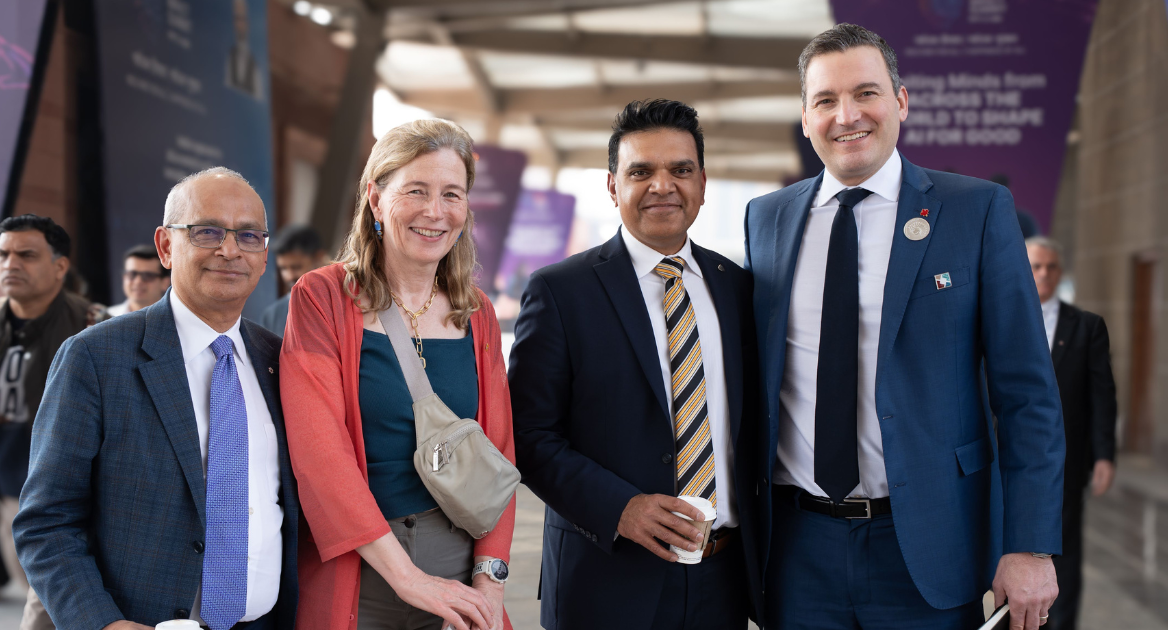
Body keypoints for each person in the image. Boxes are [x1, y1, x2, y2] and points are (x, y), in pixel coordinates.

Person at [743, 24, 1065, 630]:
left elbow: (1027, 395)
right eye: (826, 100)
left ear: (902, 102)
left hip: (930, 543)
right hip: (796, 550)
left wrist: (1030, 544)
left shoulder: (975, 210)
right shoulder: (767, 219)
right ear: (806, 116)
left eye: (866, 93)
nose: (847, 116)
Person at [509, 99, 763, 630]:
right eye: (641, 171)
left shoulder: (738, 287)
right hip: (605, 578)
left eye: (680, 170)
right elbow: (528, 435)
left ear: (702, 182)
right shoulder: (561, 291)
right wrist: (621, 507)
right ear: (612, 185)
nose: (662, 185)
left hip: (723, 580)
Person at [13, 167, 300, 630]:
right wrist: (103, 624)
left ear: (264, 255)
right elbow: (46, 524)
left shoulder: (279, 360)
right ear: (166, 246)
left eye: (249, 236)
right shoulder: (95, 358)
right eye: (208, 231)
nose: (230, 250)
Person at [279, 119, 515, 630]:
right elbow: (320, 455)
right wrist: (408, 578)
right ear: (376, 197)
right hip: (360, 568)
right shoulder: (321, 298)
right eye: (416, 191)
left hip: (460, 567)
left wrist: (489, 583)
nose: (435, 212)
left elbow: (498, 455)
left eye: (452, 194)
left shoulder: (477, 313)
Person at [0, 214, 106, 611]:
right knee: (38, 591)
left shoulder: (93, 326)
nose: (10, 264)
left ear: (60, 266)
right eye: (3, 254)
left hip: (70, 478)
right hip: (6, 467)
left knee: (50, 599)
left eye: (26, 255)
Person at [1026, 236, 1117, 630]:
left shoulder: (1087, 326)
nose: (1043, 273)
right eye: (1035, 266)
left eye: (1051, 267)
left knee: (1065, 552)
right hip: (1003, 457)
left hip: (1065, 461)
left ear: (1060, 273)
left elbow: (1102, 396)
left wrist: (1104, 456)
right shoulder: (996, 316)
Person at [259, 225, 327, 337]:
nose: (289, 276)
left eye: (296, 267)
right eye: (283, 268)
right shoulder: (272, 316)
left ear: (319, 258)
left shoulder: (340, 305)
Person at [107, 244, 171, 317]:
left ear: (165, 282)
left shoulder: (176, 320)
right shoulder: (103, 319)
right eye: (132, 274)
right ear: (124, 277)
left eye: (148, 275)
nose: (138, 281)